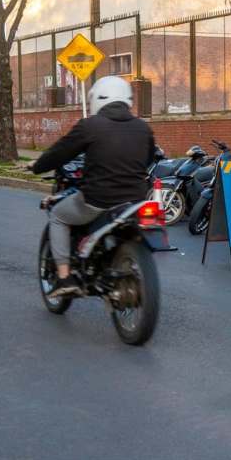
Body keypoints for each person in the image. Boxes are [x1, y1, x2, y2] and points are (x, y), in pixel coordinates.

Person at [31, 76, 155, 297]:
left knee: (58, 215)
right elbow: (148, 159)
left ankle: (64, 277)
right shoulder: (143, 127)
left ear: (98, 99)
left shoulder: (90, 125)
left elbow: (61, 152)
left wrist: (37, 166)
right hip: (136, 200)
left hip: (98, 200)